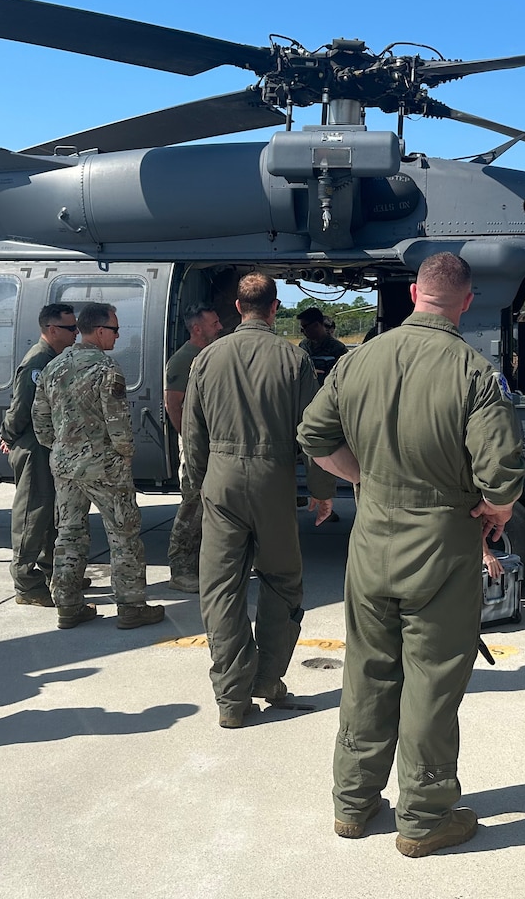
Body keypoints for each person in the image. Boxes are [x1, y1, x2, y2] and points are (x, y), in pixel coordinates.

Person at [299, 252, 524, 858]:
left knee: (368, 672)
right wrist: (496, 511)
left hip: (371, 545)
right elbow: (501, 474)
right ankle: (424, 817)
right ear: (466, 300)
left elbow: (313, 436)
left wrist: (363, 479)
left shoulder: (357, 359)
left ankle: (353, 802)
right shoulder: (474, 372)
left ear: (415, 295)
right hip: (441, 551)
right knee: (431, 682)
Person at [184, 274, 336, 728]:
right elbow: (314, 433)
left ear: (238, 306)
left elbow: (193, 435)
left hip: (221, 478)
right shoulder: (295, 360)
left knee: (220, 588)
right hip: (274, 480)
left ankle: (232, 699)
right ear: (274, 309)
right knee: (282, 581)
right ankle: (268, 679)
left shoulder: (207, 358)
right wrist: (322, 492)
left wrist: (201, 484)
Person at [32, 302, 164, 631]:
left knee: (69, 533)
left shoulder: (54, 367)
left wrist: (63, 448)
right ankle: (131, 605)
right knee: (124, 534)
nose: (118, 336)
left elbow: (40, 420)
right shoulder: (107, 368)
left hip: (64, 464)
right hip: (104, 466)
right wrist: (125, 455)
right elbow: (118, 423)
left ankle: (68, 605)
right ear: (101, 330)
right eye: (116, 330)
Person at [0, 303, 79, 606]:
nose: (75, 333)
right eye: (70, 328)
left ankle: (51, 572)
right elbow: (22, 407)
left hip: (48, 445)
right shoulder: (38, 362)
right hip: (34, 447)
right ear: (52, 330)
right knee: (32, 513)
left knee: (50, 514)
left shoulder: (54, 358)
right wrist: (8, 433)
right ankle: (26, 583)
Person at [163, 302, 225, 593]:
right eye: (214, 324)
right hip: (195, 446)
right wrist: (189, 439)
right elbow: (173, 406)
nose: (220, 327)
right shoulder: (182, 360)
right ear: (198, 328)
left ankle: (204, 564)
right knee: (191, 507)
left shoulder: (211, 355)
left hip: (213, 444)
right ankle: (181, 569)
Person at [296, 305, 349, 381]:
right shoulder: (304, 345)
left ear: (316, 325)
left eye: (304, 327)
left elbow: (345, 373)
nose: (302, 332)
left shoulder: (338, 348)